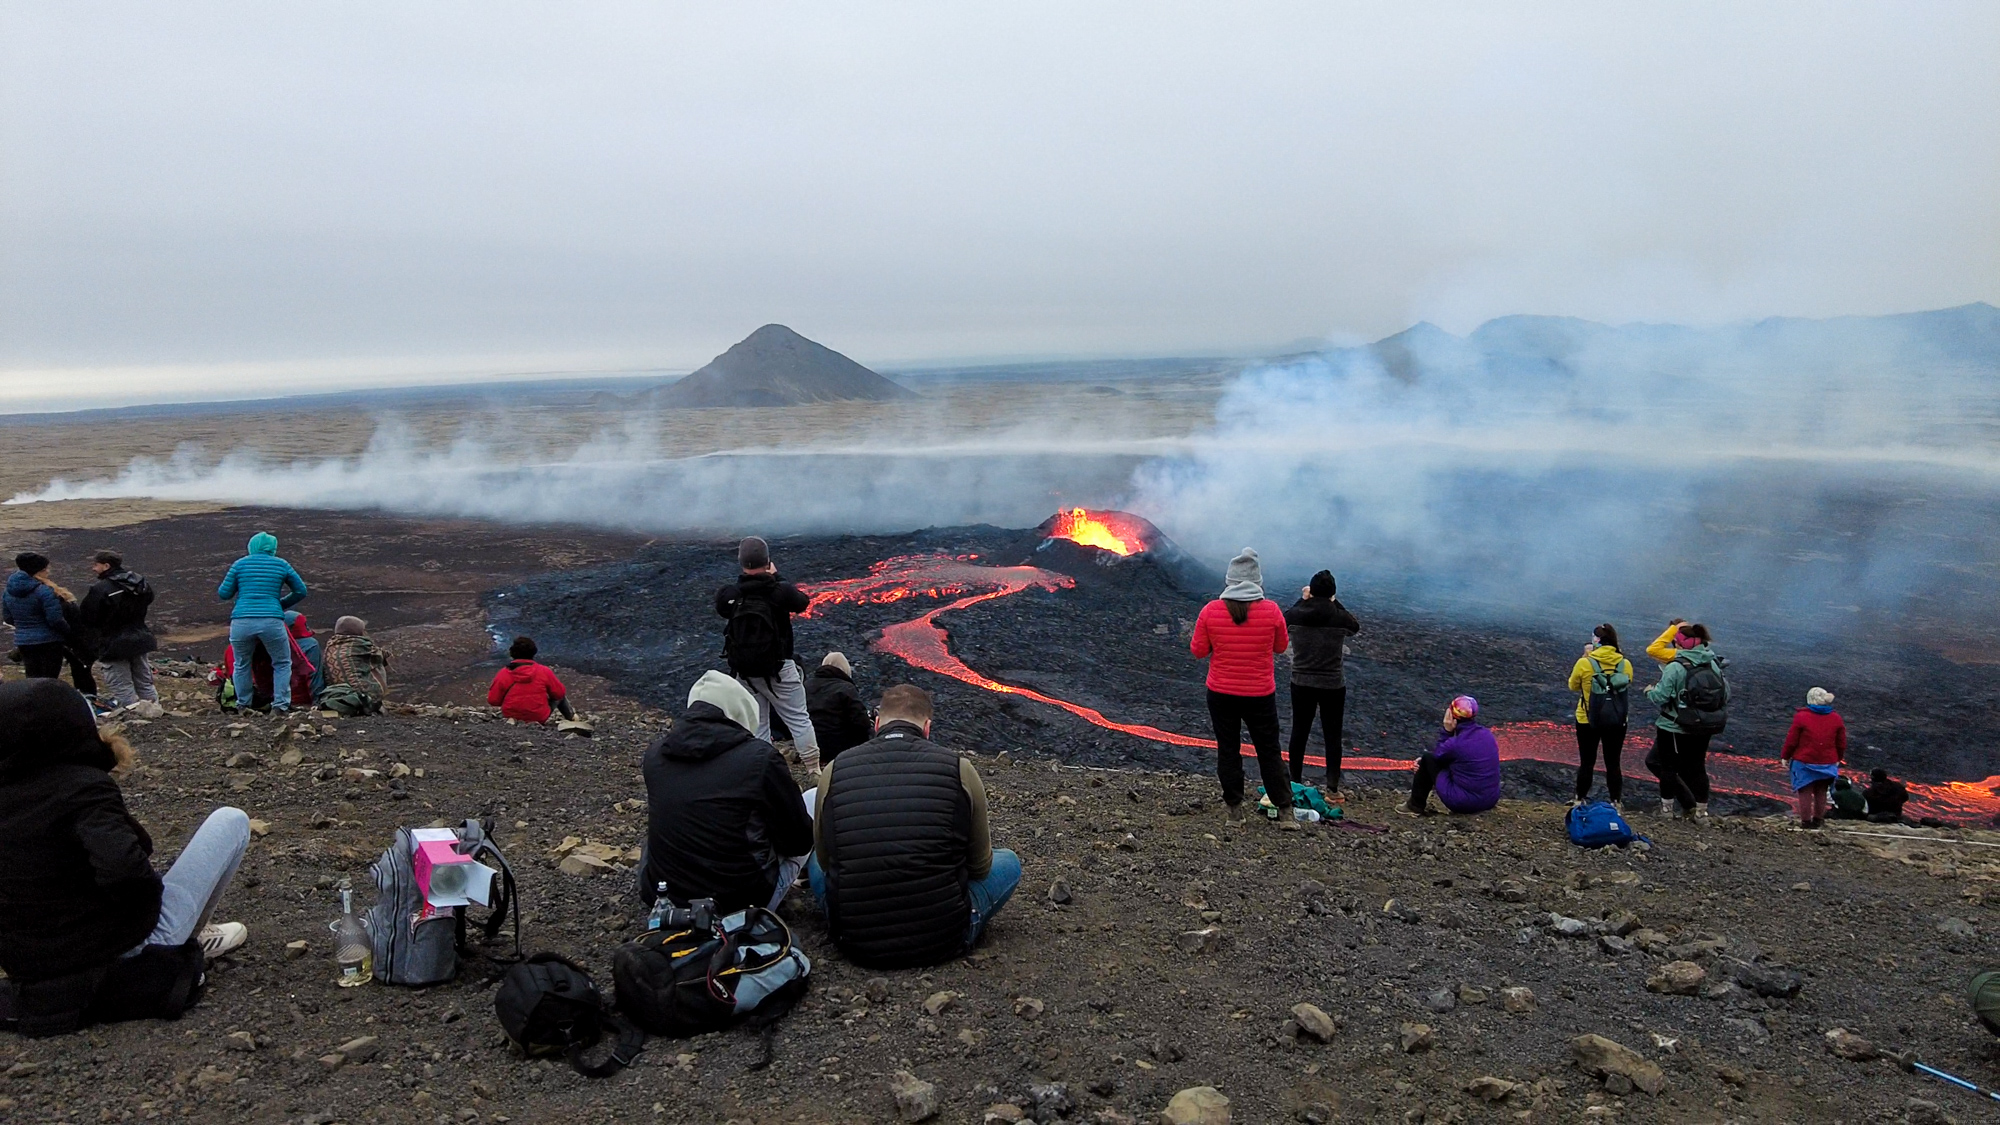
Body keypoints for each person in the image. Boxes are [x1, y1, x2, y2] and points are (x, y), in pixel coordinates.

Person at [0, 680, 250, 1037]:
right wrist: (139, 922)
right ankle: (185, 938)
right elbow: (125, 873)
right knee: (231, 820)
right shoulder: (82, 786)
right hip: (119, 950)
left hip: (30, 964)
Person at [807, 684, 1019, 967]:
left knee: (817, 863)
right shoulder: (959, 769)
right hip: (943, 939)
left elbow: (825, 859)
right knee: (1009, 862)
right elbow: (980, 867)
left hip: (854, 941)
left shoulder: (835, 769)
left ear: (878, 723)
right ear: (927, 727)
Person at [639, 671, 814, 915]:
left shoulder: (655, 755)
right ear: (741, 712)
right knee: (813, 799)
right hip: (740, 903)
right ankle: (819, 882)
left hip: (664, 896)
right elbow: (799, 841)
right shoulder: (760, 759)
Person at [1190, 548, 1294, 828]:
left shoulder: (1211, 611)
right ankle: (1285, 811)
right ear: (1257, 581)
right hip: (1259, 694)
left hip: (1221, 694)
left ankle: (1235, 811)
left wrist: (1219, 641)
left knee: (1228, 749)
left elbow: (1198, 651)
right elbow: (1281, 647)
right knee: (1269, 750)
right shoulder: (1271, 610)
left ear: (1230, 580)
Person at [715, 537, 821, 773]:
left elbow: (723, 607)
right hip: (779, 668)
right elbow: (802, 602)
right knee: (799, 719)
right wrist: (777, 577)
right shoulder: (779, 591)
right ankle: (813, 770)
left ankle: (764, 770)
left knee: (758, 722)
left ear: (741, 561)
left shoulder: (730, 594)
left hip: (744, 671)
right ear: (767, 560)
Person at [1283, 569, 1361, 795]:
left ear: (1311, 591)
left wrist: (1303, 599)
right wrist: (1334, 602)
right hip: (1333, 685)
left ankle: (1295, 782)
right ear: (1332, 594)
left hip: (1301, 682)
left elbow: (1286, 616)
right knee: (1332, 735)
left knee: (1299, 731)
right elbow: (1354, 626)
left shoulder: (1297, 615)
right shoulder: (1339, 617)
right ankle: (1332, 788)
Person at [1642, 621, 1728, 820]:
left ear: (1679, 645)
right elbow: (1725, 693)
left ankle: (1666, 811)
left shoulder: (1676, 666)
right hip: (1705, 725)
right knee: (1697, 767)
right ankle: (1701, 813)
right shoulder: (1713, 663)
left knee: (1668, 766)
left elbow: (1660, 697)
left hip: (1674, 725)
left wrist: (1649, 691)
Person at [215, 533, 308, 715]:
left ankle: (243, 705)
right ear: (273, 548)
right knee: (281, 662)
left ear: (252, 546)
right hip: (272, 621)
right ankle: (280, 706)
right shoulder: (281, 564)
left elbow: (224, 593)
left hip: (241, 621)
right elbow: (300, 591)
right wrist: (279, 605)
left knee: (242, 663)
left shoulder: (239, 564)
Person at [79, 551, 159, 715]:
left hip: (113, 643)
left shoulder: (101, 589)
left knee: (121, 684)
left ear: (106, 566)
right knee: (144, 681)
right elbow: (149, 599)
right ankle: (155, 712)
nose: (93, 568)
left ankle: (133, 716)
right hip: (139, 638)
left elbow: (88, 616)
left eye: (96, 565)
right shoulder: (139, 582)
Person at [1566, 624, 1634, 807]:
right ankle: (1616, 802)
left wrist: (1585, 658)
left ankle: (1579, 800)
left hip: (1587, 719)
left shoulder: (1585, 663)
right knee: (1613, 763)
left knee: (1587, 762)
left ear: (1597, 641)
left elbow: (1573, 686)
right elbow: (1627, 682)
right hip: (1617, 720)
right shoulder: (1624, 664)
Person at [1403, 694, 1502, 816]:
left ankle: (1414, 806)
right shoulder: (1487, 735)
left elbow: (1437, 757)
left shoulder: (1455, 744)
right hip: (1490, 799)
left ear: (1451, 716)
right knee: (1431, 761)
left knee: (1427, 758)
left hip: (1465, 803)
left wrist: (1447, 731)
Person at [1780, 687, 1846, 829]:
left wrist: (1785, 756)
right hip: (1827, 762)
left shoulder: (1802, 717)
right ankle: (1818, 820)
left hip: (1804, 761)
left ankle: (1806, 822)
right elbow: (1841, 742)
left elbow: (1792, 740)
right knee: (1821, 791)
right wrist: (1838, 757)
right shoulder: (1836, 718)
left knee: (1805, 791)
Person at [4, 553, 72, 681]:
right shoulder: (44, 591)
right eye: (45, 569)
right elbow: (55, 619)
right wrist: (69, 633)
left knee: (32, 678)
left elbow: (8, 618)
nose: (48, 571)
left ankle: (34, 700)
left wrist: (24, 626)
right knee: (49, 680)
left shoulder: (8, 591)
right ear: (38, 571)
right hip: (49, 642)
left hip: (24, 641)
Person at [486, 636, 575, 723]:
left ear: (512, 653)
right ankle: (572, 718)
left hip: (511, 715)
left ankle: (514, 719)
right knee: (559, 691)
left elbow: (493, 701)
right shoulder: (544, 671)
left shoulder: (504, 673)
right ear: (533, 652)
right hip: (539, 717)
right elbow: (559, 694)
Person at [805, 651, 872, 764]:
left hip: (810, 744)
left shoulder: (806, 685)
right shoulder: (846, 688)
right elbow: (861, 722)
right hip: (839, 747)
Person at [317, 616, 391, 714]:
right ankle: (375, 698)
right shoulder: (361, 644)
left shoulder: (331, 644)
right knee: (376, 662)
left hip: (336, 693)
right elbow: (381, 655)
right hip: (361, 695)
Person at [286, 612, 325, 702]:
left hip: (276, 696)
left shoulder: (272, 643)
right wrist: (318, 701)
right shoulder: (310, 644)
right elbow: (314, 675)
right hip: (302, 697)